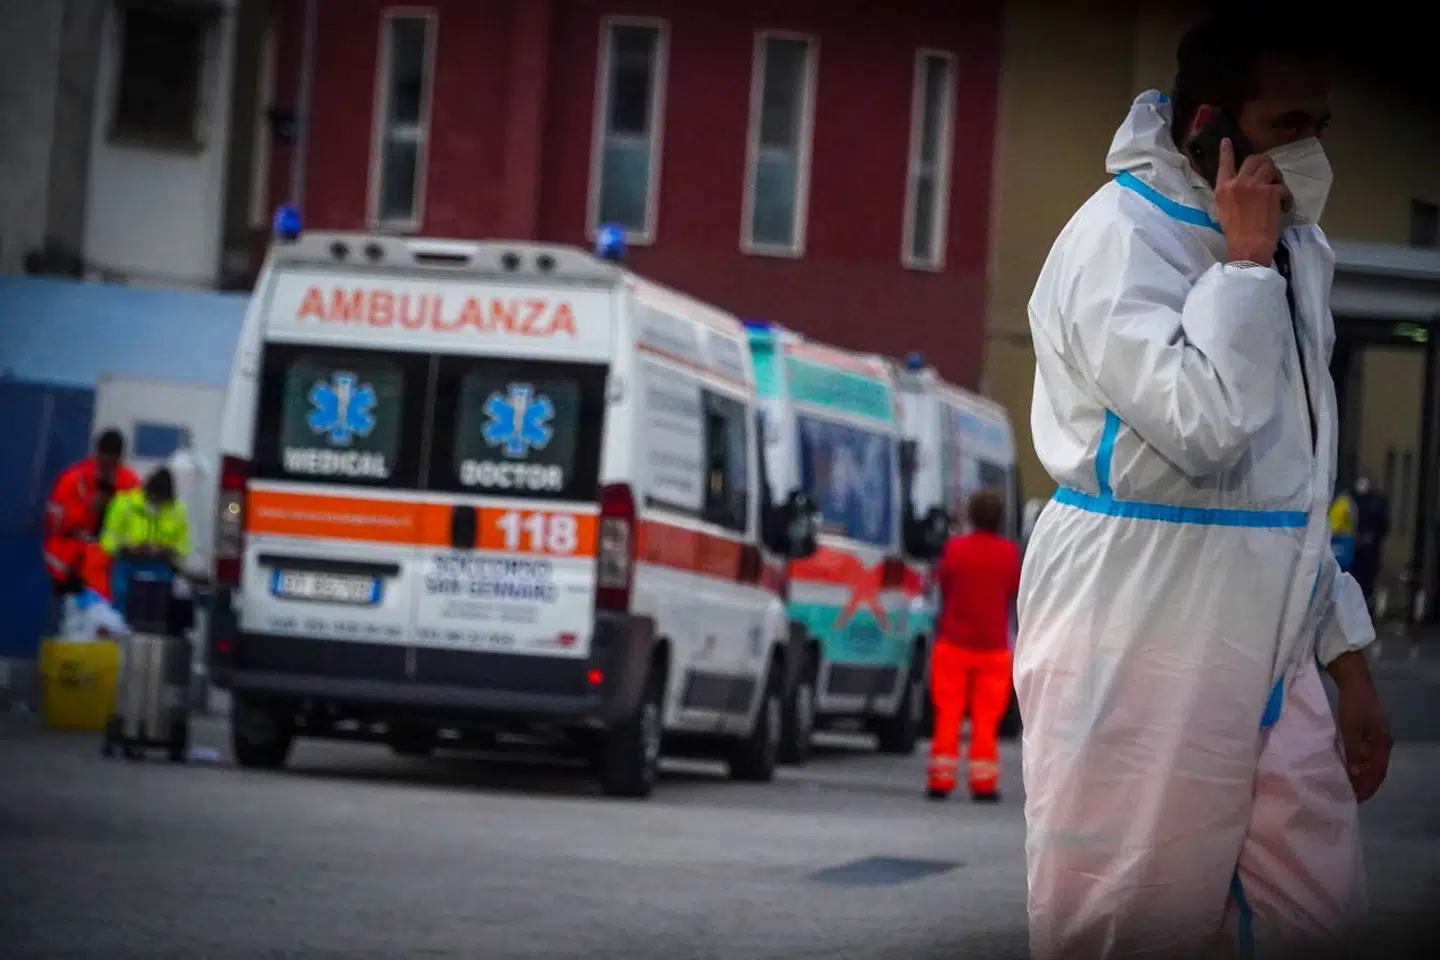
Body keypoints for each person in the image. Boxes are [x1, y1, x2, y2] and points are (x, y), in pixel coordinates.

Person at [1016, 11, 1391, 959]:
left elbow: (1296, 480)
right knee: (1129, 913)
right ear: (1213, 125)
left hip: (1272, 628)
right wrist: (1245, 266)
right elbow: (1205, 427)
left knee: (1315, 907)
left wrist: (1345, 657)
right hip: (1138, 616)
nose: (1311, 148)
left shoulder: (1297, 248)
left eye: (1325, 123)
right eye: (1289, 122)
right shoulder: (1118, 240)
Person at [926, 488, 1022, 803]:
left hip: (953, 643)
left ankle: (941, 779)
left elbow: (943, 582)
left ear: (970, 516)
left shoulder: (955, 549)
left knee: (948, 713)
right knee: (986, 719)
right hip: (993, 647)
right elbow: (1013, 590)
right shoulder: (1008, 553)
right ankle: (983, 784)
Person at [43, 429, 141, 602]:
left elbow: (137, 522)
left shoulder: (130, 482)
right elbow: (54, 523)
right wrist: (87, 510)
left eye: (114, 461)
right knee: (67, 618)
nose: (109, 467)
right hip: (69, 564)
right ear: (97, 453)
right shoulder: (73, 479)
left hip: (110, 565)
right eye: (105, 460)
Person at [100, 467, 192, 624]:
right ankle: (119, 626)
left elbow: (183, 546)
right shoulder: (124, 503)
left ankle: (156, 625)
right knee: (121, 592)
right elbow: (107, 540)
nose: (156, 503)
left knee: (160, 600)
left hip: (159, 565)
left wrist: (165, 548)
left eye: (161, 500)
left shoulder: (177, 510)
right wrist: (127, 547)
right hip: (127, 562)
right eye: (154, 498)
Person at [1350, 472, 1390, 605]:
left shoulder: (1377, 503)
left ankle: (1366, 603)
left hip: (1370, 550)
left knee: (1366, 581)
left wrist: (1370, 537)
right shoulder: (1352, 500)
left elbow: (1383, 526)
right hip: (1353, 549)